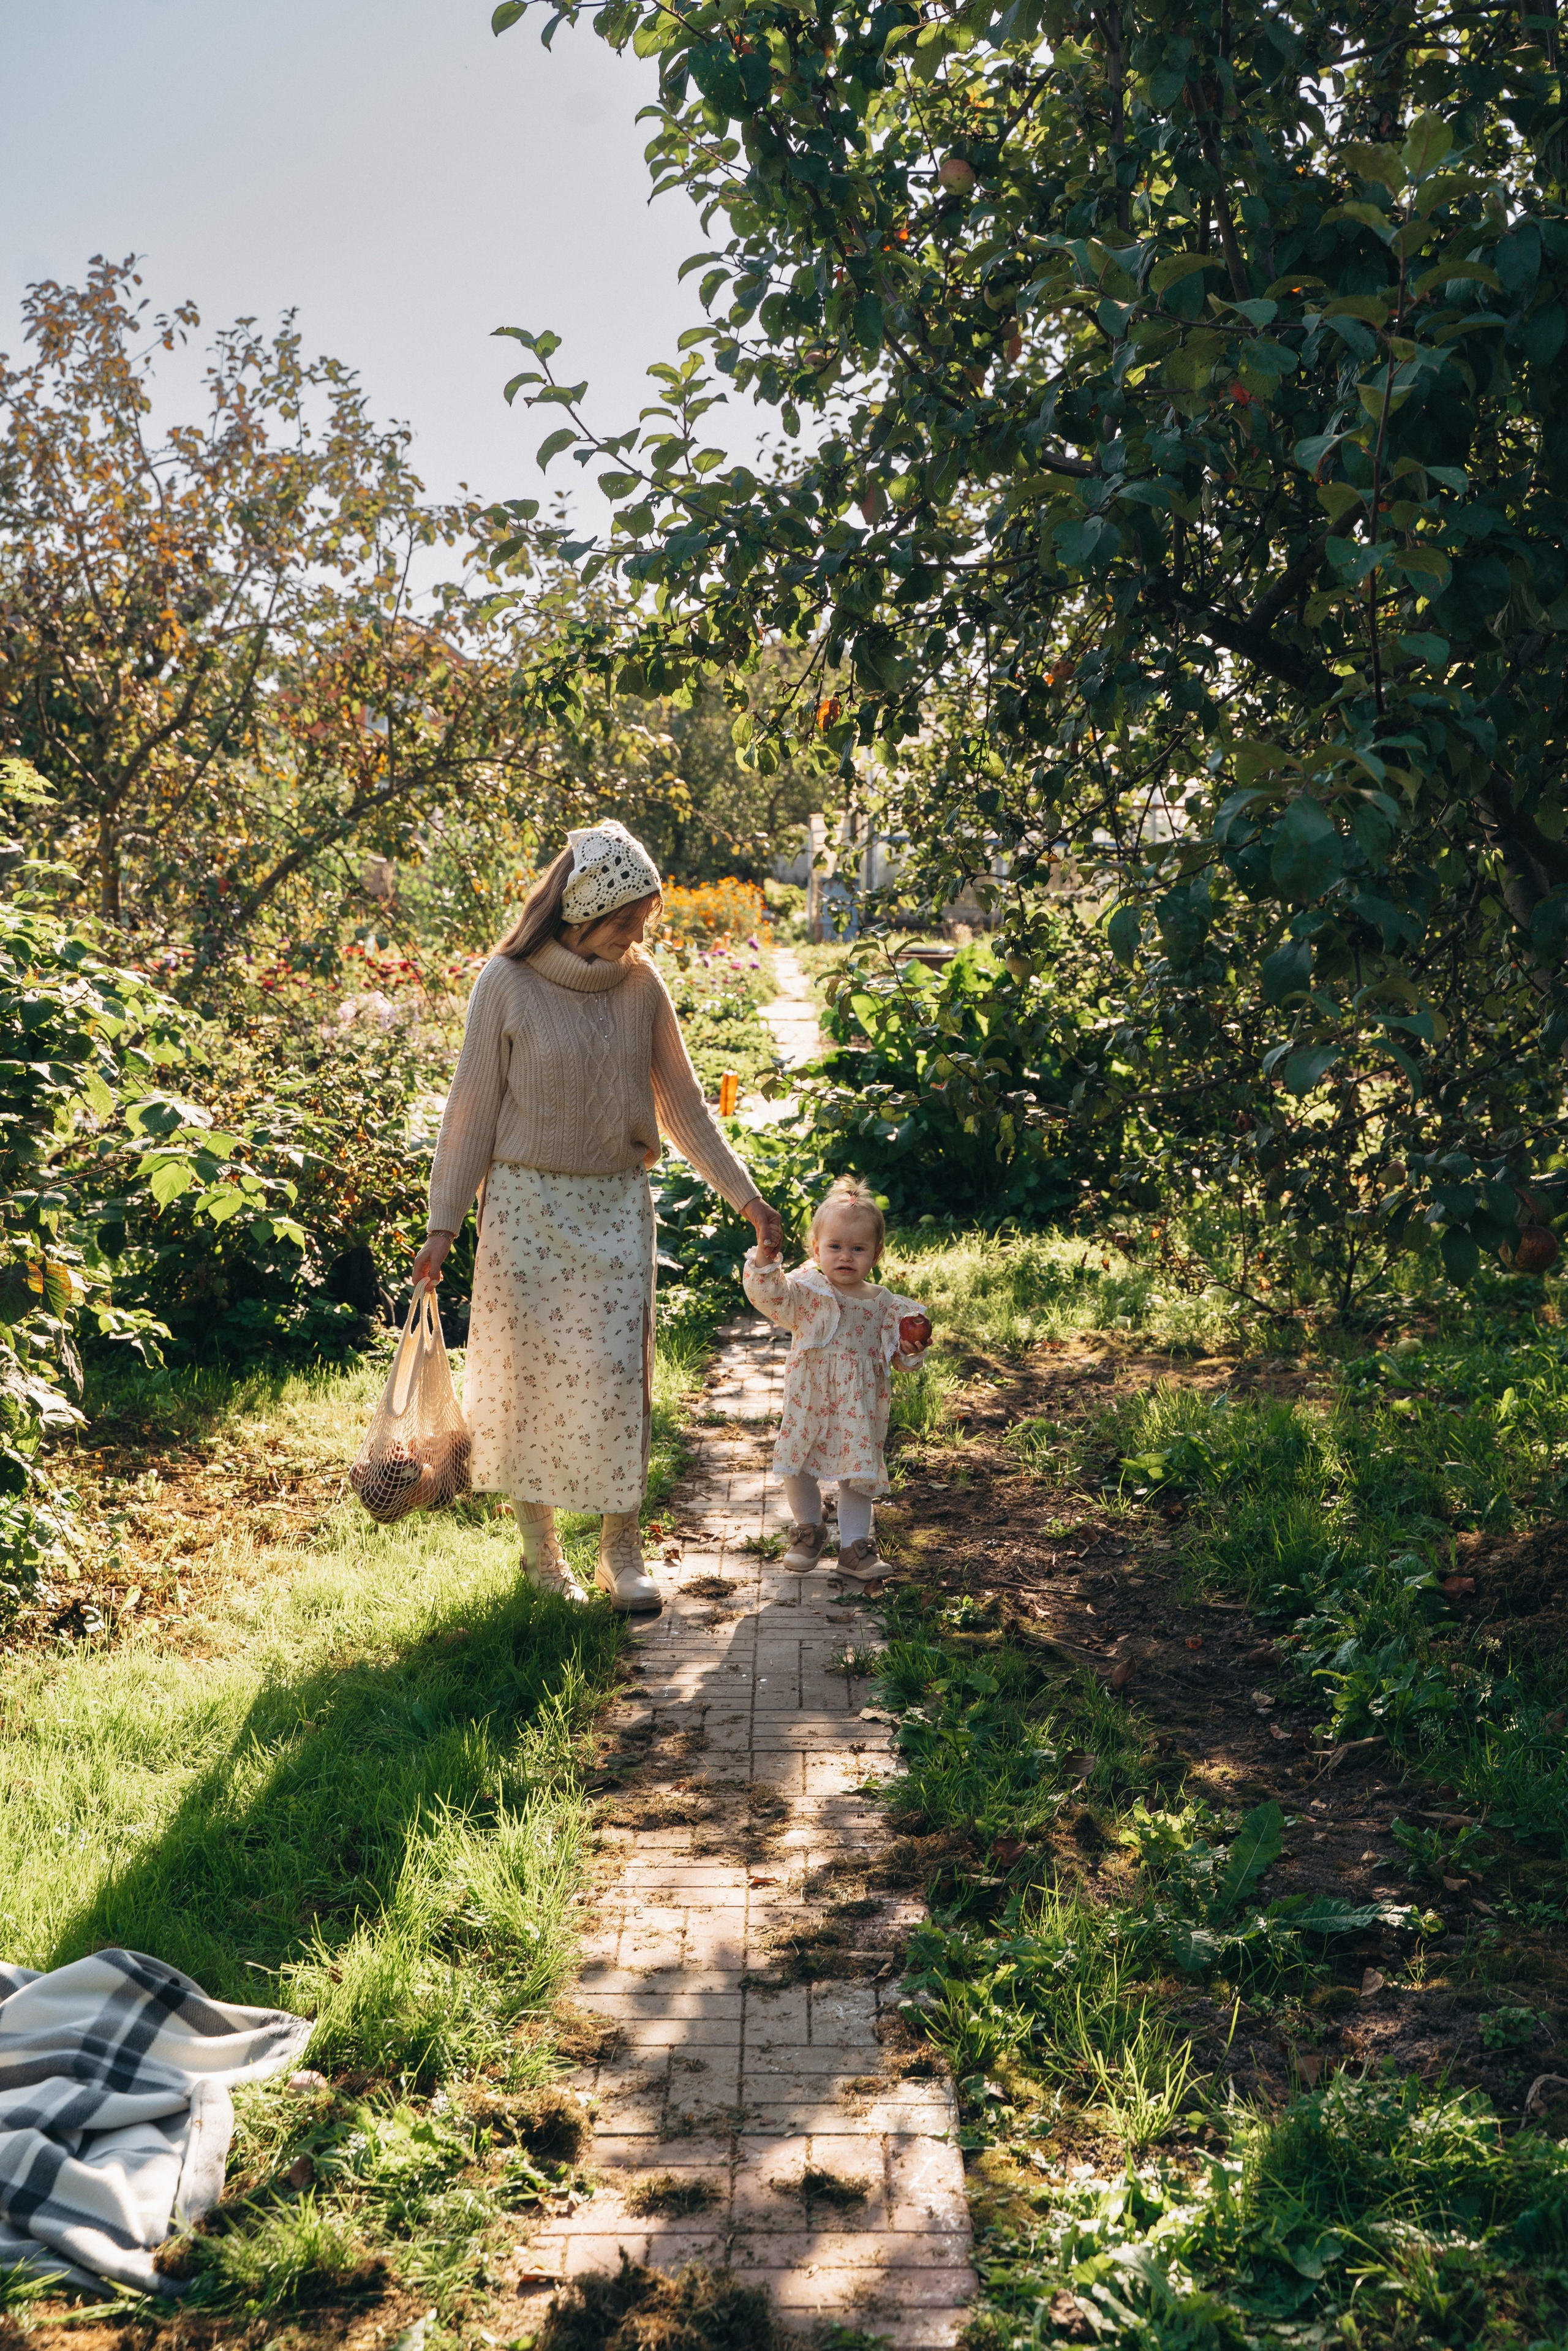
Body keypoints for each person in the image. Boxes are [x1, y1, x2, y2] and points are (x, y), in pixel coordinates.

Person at [411, 820, 783, 1612]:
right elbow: (470, 1113)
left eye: (643, 922)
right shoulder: (505, 982)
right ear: (581, 910)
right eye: (626, 920)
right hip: (525, 1207)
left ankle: (621, 1551)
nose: (636, 936)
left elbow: (682, 1103)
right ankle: (543, 1556)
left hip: (617, 1205)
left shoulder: (642, 985)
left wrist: (746, 1196)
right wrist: (443, 1226)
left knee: (621, 1381)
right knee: (529, 1381)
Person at [741, 1175, 928, 1585]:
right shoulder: (807, 1292)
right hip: (808, 1398)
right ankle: (810, 1530)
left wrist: (912, 1352)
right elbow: (768, 1296)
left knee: (857, 1474)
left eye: (858, 1249)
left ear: (876, 1253)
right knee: (798, 1466)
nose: (846, 1256)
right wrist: (764, 1259)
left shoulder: (886, 1305)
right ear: (816, 1249)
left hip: (859, 1405)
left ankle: (855, 1549)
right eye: (836, 1247)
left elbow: (898, 1356)